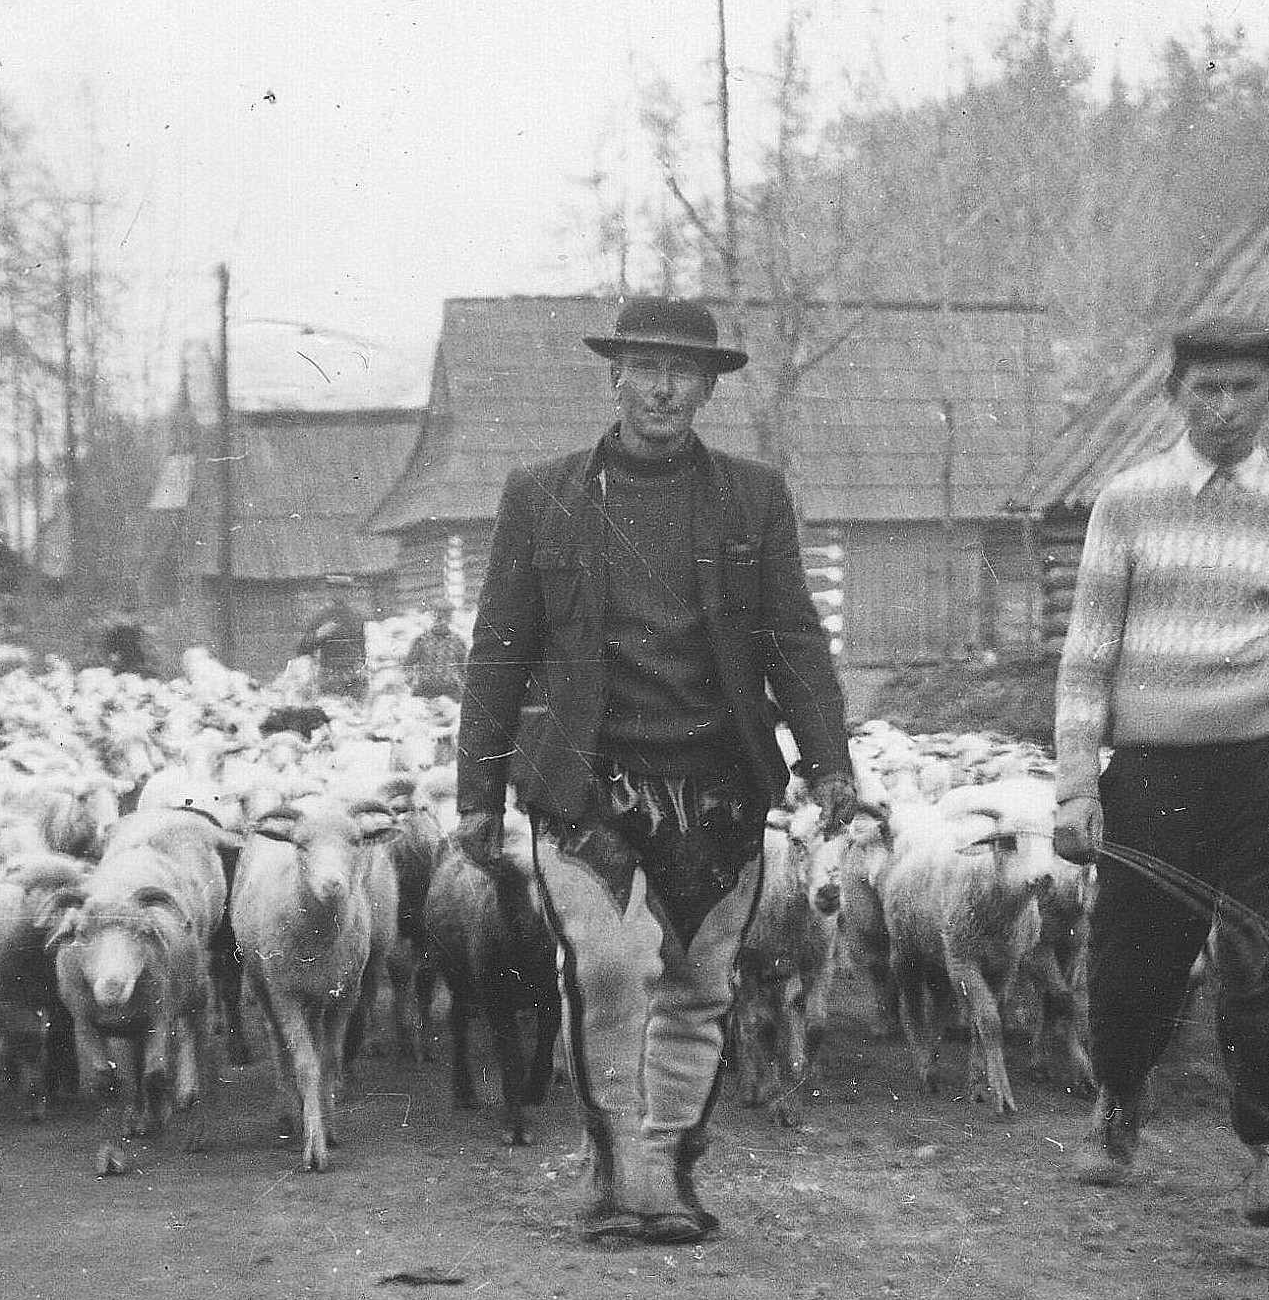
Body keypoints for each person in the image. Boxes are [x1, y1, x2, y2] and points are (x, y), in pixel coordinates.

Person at [456, 295, 860, 1247]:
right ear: (616, 374)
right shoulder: (543, 493)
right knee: (608, 965)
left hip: (718, 783)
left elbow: (792, 634)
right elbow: (498, 650)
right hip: (585, 783)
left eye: (685, 370)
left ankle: (664, 1166)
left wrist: (829, 755)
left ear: (710, 385)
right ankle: (624, 1165)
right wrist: (477, 790)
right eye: (646, 366)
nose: (664, 387)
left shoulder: (752, 497)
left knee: (698, 983)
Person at [1050, 314, 1269, 1232]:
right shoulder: (1129, 502)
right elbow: (1088, 654)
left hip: (1266, 770)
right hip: (1154, 771)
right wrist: (1076, 782)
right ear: (1174, 397)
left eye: (1243, 389)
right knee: (1135, 960)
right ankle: (1117, 1101)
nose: (1224, 409)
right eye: (1205, 390)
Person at [294, 578, 370, 698]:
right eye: (336, 589)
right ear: (330, 592)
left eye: (344, 590)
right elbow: (302, 649)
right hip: (330, 678)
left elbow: (362, 648)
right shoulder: (321, 617)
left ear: (349, 593)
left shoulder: (356, 617)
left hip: (353, 678)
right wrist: (319, 634)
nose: (340, 594)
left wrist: (361, 666)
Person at [401, 604, 466, 699]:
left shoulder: (457, 642)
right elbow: (407, 665)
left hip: (450, 693)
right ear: (433, 618)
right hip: (425, 692)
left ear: (450, 619)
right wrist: (412, 682)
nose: (442, 621)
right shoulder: (421, 640)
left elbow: (465, 669)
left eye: (446, 617)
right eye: (439, 617)